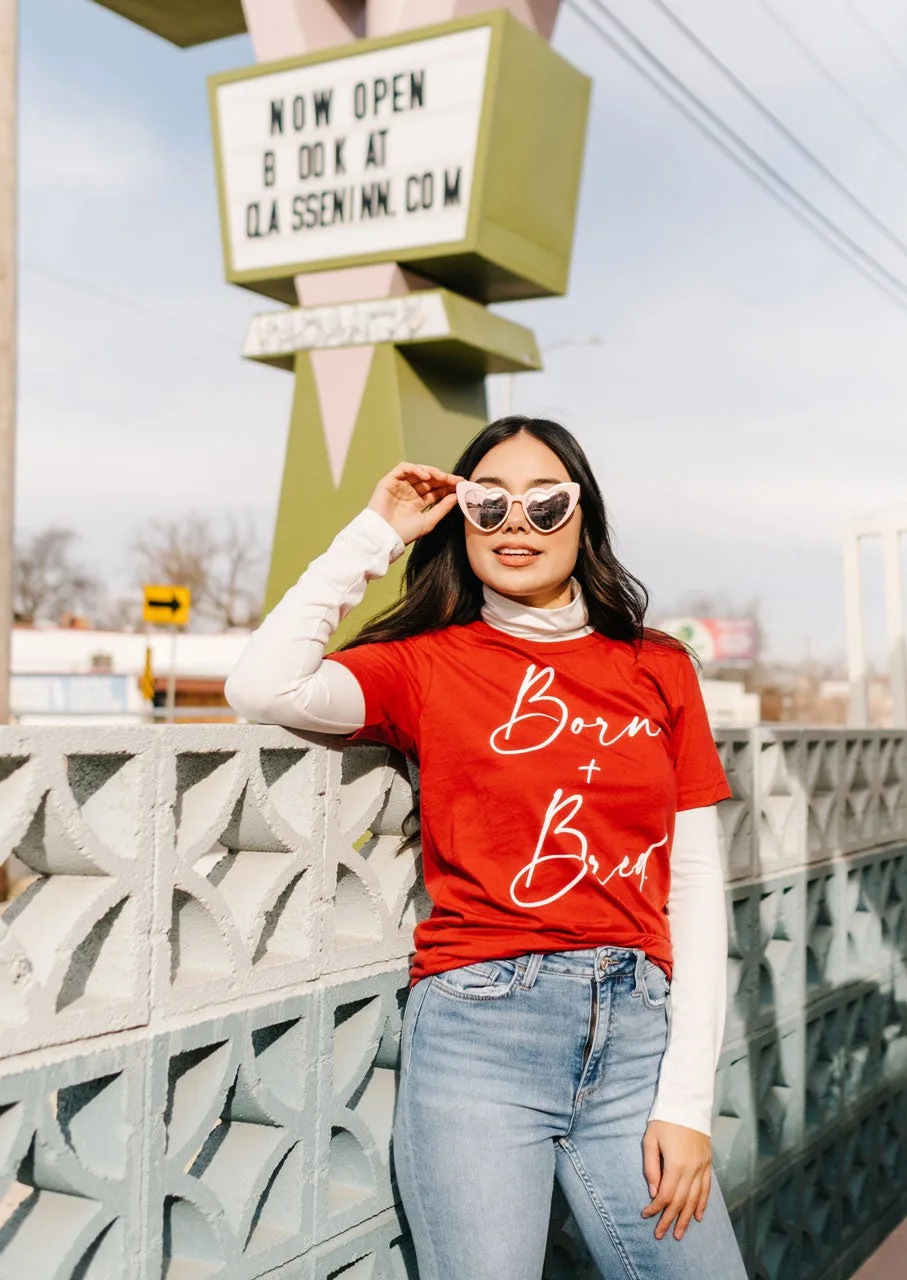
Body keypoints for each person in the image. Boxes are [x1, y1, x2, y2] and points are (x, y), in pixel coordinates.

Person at [225, 417, 747, 1280]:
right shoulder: (428, 665)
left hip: (636, 1036)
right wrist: (378, 531)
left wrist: (688, 1105)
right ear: (459, 519)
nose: (517, 523)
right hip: (481, 1032)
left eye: (547, 504)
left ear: (584, 519)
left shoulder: (659, 666)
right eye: (487, 502)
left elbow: (693, 885)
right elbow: (262, 681)